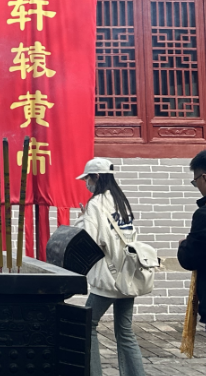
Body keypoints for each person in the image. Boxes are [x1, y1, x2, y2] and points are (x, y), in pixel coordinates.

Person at [73, 158, 146, 376]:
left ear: (96, 177)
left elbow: (90, 240)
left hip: (107, 276)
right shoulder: (121, 200)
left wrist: (81, 219)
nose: (86, 183)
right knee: (125, 331)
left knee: (87, 325)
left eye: (87, 178)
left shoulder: (95, 204)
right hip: (128, 274)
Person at [178, 149, 206, 326]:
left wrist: (184, 245)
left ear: (204, 178)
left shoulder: (203, 215)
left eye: (196, 182)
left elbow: (191, 258)